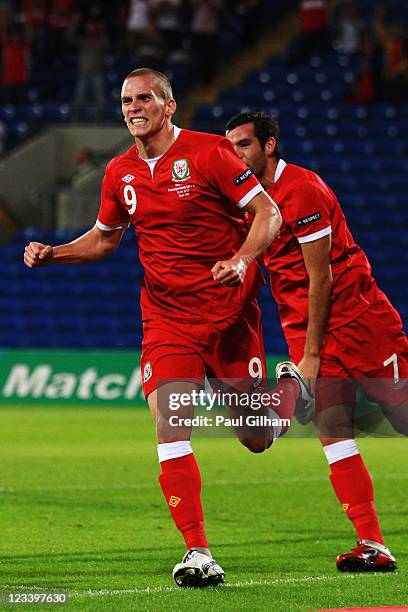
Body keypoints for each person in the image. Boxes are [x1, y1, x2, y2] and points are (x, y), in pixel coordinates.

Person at [24, 69, 314, 587]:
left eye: (144, 99)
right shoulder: (119, 172)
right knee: (169, 418)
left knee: (256, 437)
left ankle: (289, 389)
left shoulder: (210, 154)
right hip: (166, 318)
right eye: (126, 101)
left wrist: (244, 258)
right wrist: (55, 253)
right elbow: (105, 238)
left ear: (169, 105)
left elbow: (268, 214)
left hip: (229, 318)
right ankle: (198, 551)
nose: (133, 108)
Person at [225, 110, 408, 573]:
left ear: (268, 145)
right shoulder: (248, 200)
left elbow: (319, 276)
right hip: (306, 328)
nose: (236, 155)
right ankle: (373, 544)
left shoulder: (302, 189)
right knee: (334, 434)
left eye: (243, 144)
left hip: (358, 322)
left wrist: (309, 356)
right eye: (230, 147)